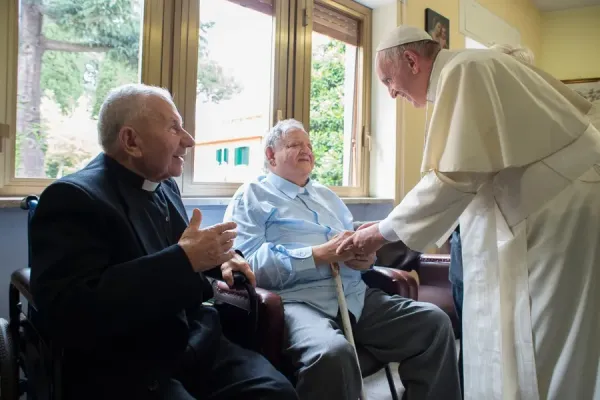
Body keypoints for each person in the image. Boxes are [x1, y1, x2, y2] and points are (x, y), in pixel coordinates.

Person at [338, 25, 600, 400]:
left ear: (411, 60)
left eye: (388, 80)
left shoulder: (465, 70)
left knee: (547, 336)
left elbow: (453, 178)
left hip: (557, 212)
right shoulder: (468, 69)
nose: (390, 92)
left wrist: (379, 232)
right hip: (552, 207)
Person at [29, 84, 298, 400]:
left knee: (277, 392)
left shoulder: (164, 185)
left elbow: (188, 252)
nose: (189, 140)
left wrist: (219, 257)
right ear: (131, 141)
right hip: (127, 360)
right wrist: (185, 260)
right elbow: (69, 310)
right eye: (174, 128)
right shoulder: (72, 198)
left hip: (196, 338)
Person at [223, 118, 461, 400]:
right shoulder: (251, 195)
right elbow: (249, 264)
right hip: (298, 301)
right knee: (332, 354)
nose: (306, 150)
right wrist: (317, 255)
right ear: (271, 155)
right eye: (295, 144)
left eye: (309, 145)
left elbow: (356, 249)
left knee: (433, 324)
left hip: (355, 296)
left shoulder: (328, 196)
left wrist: (364, 258)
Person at [448, 43, 536, 397]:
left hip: (514, 239)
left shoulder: (532, 123)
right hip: (467, 239)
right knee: (472, 329)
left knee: (512, 329)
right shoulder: (469, 117)